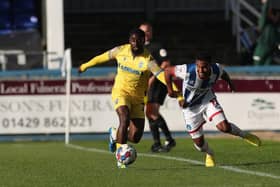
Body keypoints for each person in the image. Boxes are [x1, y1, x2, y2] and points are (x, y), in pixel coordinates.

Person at [78, 28, 183, 168]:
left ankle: (115, 135)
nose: (135, 43)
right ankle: (120, 157)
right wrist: (85, 66)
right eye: (133, 40)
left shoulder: (148, 59)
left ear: (144, 41)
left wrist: (178, 93)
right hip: (121, 92)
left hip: (138, 98)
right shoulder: (120, 50)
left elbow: (161, 75)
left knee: (135, 137)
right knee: (124, 117)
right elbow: (102, 57)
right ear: (129, 41)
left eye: (139, 40)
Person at [164, 52, 261, 167]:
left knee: (224, 127)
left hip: (207, 100)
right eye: (198, 67)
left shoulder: (216, 69)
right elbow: (167, 71)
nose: (200, 70)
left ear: (210, 65)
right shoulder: (187, 70)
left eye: (204, 67)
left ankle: (245, 135)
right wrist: (170, 91)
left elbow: (224, 74)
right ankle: (209, 153)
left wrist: (230, 83)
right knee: (199, 145)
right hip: (190, 109)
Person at [139, 22, 176, 153]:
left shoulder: (157, 47)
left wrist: (153, 78)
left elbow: (166, 62)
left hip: (159, 83)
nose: (145, 34)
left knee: (151, 112)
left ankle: (168, 139)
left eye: (148, 31)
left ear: (151, 33)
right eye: (143, 31)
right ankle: (157, 143)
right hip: (147, 83)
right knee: (150, 113)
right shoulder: (138, 49)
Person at [253, 0, 280, 65]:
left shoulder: (273, 27)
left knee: (260, 57)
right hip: (262, 55)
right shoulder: (269, 28)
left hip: (268, 50)